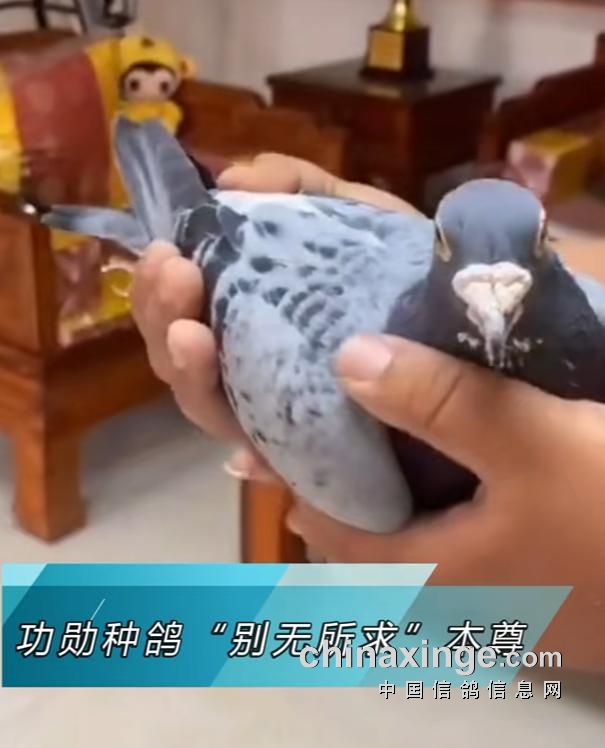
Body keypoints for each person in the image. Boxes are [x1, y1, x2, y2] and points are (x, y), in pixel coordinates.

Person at [131, 153, 605, 672]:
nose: (494, 304)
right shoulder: (339, 395)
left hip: (328, 252)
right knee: (359, 487)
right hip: (289, 258)